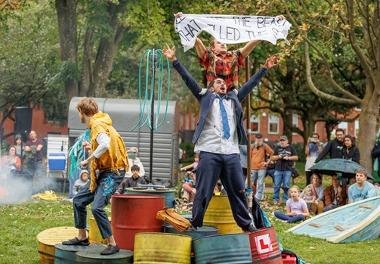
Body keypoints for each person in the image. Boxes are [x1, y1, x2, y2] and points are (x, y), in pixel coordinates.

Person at [163, 45, 279, 232]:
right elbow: (189, 80)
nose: (222, 84)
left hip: (231, 152)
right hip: (210, 151)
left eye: (224, 83)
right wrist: (174, 61)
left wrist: (264, 68)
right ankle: (196, 222)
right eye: (218, 82)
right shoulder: (206, 97)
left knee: (238, 191)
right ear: (211, 86)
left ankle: (246, 224)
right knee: (203, 190)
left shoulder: (233, 97)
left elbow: (249, 85)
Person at [63, 97, 129, 255]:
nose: (79, 115)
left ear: (82, 112)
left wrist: (88, 159)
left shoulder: (96, 124)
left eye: (79, 112)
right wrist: (92, 148)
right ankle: (82, 237)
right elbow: (104, 145)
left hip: (113, 173)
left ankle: (113, 244)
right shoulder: (100, 122)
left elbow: (105, 144)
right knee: (79, 200)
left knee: (97, 207)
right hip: (104, 171)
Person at [175, 13, 285, 91]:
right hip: (213, 94)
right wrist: (183, 20)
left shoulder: (235, 55)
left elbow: (256, 39)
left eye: (224, 42)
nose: (223, 44)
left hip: (231, 95)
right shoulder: (209, 56)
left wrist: (273, 23)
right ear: (213, 48)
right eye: (219, 42)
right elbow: (196, 40)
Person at [271, 135, 298, 205]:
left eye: (283, 141)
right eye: (281, 141)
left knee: (286, 185)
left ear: (287, 141)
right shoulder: (277, 147)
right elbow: (272, 158)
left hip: (287, 169)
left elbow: (296, 157)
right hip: (278, 169)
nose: (282, 142)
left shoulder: (291, 147)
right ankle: (275, 199)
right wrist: (278, 156)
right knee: (276, 185)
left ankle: (285, 199)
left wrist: (288, 158)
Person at [250, 133, 273, 201]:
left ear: (262, 139)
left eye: (260, 139)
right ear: (255, 139)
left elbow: (272, 153)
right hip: (253, 168)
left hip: (261, 168)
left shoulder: (265, 146)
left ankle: (258, 197)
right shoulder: (252, 146)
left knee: (260, 183)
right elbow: (249, 157)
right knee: (250, 183)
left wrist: (267, 162)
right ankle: (250, 195)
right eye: (257, 139)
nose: (258, 140)